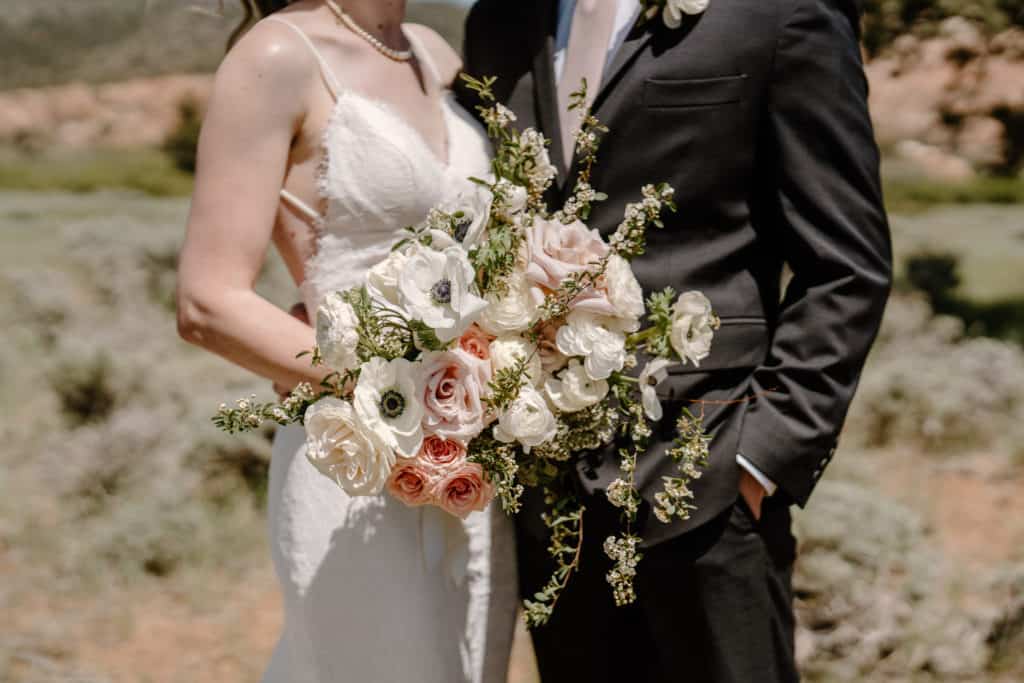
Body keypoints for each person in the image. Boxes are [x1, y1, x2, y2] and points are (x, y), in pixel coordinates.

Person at [458, 0, 893, 680]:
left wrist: (761, 456)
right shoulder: (500, 23)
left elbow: (845, 265)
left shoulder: (780, 14)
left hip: (709, 481)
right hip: (551, 498)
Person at [175, 1, 517, 681]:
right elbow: (207, 299)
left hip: (473, 472)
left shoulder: (433, 52)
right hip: (354, 469)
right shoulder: (276, 58)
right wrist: (399, 396)